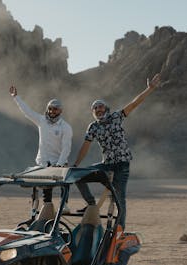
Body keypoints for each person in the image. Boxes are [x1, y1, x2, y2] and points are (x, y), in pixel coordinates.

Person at [73, 73, 161, 229]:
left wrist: (150, 89)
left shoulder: (116, 117)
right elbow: (85, 147)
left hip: (121, 165)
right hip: (106, 165)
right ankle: (91, 204)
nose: (98, 109)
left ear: (106, 108)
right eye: (95, 108)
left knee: (119, 198)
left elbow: (134, 104)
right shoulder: (93, 127)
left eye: (100, 106)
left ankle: (119, 228)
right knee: (78, 175)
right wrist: (75, 165)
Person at [9, 85, 73, 207]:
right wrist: (16, 97)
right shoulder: (41, 120)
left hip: (59, 162)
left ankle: (64, 205)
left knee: (64, 184)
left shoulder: (65, 127)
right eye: (50, 109)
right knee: (46, 188)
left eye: (55, 109)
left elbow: (66, 147)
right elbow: (27, 112)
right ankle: (47, 208)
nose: (52, 111)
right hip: (43, 161)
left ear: (60, 111)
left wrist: (59, 163)